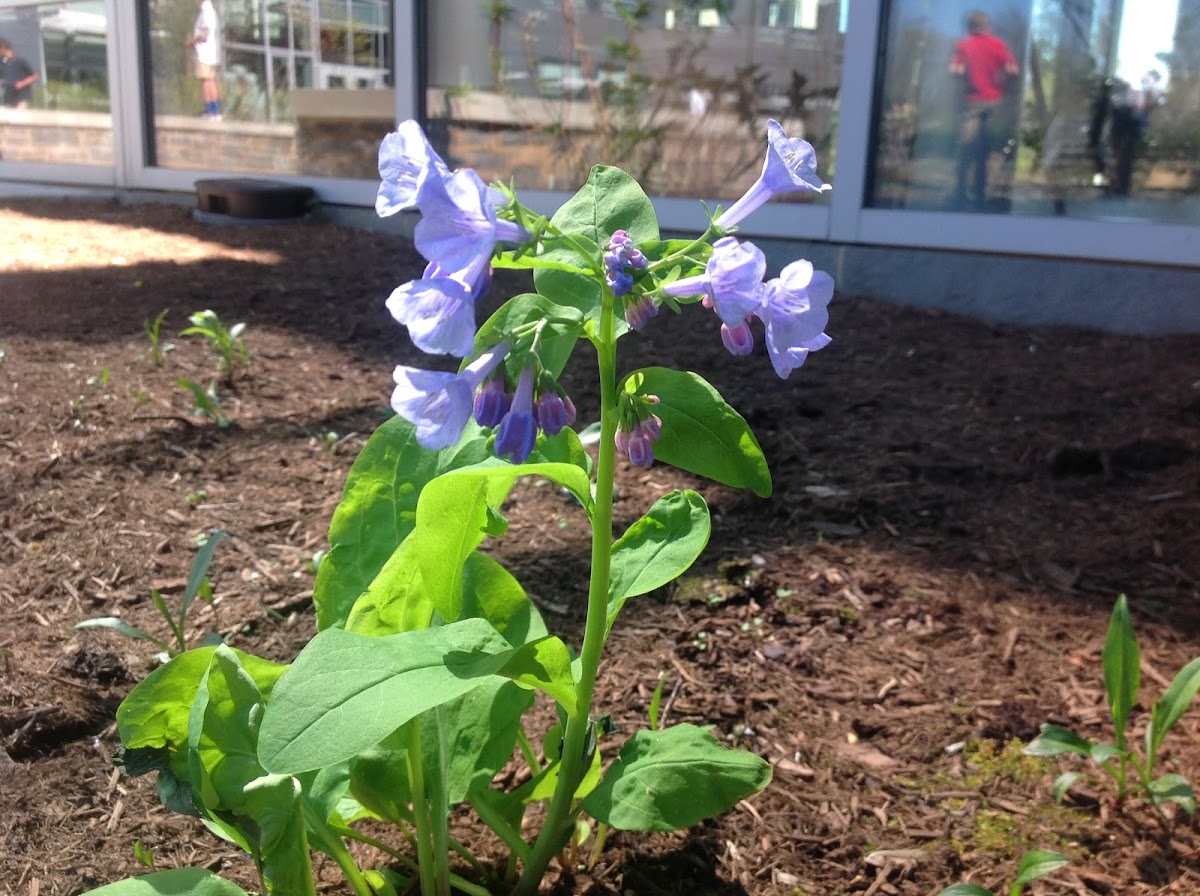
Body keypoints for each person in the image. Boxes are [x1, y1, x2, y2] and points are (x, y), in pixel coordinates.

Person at [949, 10, 1018, 210]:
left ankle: (960, 193)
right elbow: (1012, 70)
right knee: (987, 150)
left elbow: (956, 71)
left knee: (966, 148)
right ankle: (982, 194)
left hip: (972, 101)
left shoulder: (964, 45)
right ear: (987, 26)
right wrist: (1001, 87)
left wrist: (965, 81)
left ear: (970, 26)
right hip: (994, 101)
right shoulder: (998, 45)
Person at [184, 0, 221, 120]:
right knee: (210, 80)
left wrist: (192, 41)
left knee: (206, 81)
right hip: (209, 53)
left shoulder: (206, 12)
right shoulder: (209, 11)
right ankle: (214, 111)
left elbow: (205, 33)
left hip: (205, 53)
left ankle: (211, 111)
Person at [0, 37, 38, 109]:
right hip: (8, 97)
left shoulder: (20, 60)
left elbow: (34, 76)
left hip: (21, 96)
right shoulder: (2, 63)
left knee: (19, 117)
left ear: (3, 48)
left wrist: (22, 83)